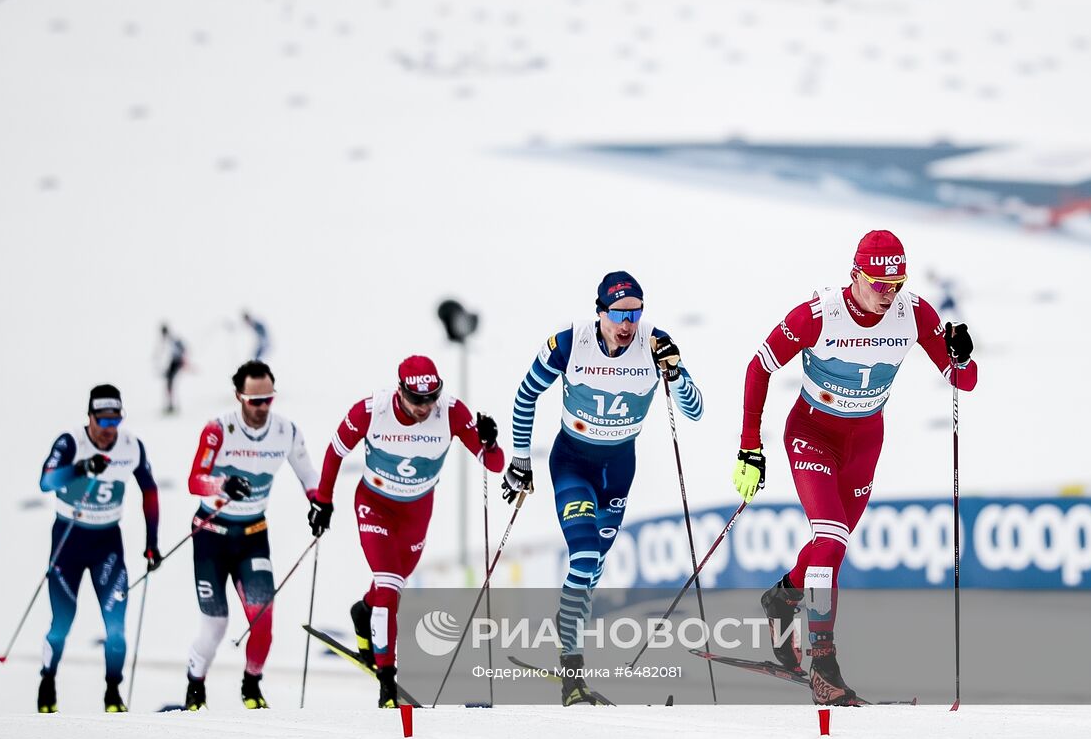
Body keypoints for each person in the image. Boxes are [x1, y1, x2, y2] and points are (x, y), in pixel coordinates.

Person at [733, 230, 978, 705]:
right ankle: (824, 666)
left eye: (897, 282)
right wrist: (749, 447)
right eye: (879, 282)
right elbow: (758, 368)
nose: (889, 293)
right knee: (830, 541)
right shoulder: (818, 315)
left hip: (865, 441)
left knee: (832, 549)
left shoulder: (914, 313)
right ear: (855, 275)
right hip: (811, 434)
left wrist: (962, 354)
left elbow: (962, 382)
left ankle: (783, 595)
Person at [505, 271, 703, 705]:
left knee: (592, 574)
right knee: (585, 556)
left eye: (634, 313)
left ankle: (566, 628)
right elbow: (525, 395)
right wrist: (520, 459)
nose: (627, 323)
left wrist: (675, 372)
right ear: (600, 313)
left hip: (618, 469)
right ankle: (571, 674)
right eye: (618, 313)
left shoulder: (655, 343)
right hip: (572, 463)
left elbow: (695, 410)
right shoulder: (569, 342)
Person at [315, 355, 504, 707]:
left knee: (390, 586)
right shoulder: (371, 411)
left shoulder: (450, 411)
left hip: (417, 511)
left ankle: (363, 611)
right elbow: (334, 451)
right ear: (400, 391)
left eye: (431, 397)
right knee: (389, 589)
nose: (425, 406)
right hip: (375, 504)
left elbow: (493, 465)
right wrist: (323, 501)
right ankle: (387, 683)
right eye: (417, 399)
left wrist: (490, 443)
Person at [181, 360, 320, 710]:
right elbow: (195, 480)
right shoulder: (219, 430)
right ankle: (196, 682)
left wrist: (320, 505)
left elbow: (309, 477)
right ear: (238, 397)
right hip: (211, 534)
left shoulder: (285, 432)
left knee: (263, 621)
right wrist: (223, 483)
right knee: (215, 625)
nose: (261, 408)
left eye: (268, 400)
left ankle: (252, 685)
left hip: (252, 535)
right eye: (254, 401)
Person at [37, 384, 160, 713]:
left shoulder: (131, 446)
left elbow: (149, 491)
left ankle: (112, 692)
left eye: (115, 421)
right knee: (62, 623)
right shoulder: (71, 442)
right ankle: (47, 679)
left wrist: (152, 542)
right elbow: (46, 481)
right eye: (102, 422)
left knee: (116, 628)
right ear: (89, 417)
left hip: (107, 542)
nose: (109, 430)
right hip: (69, 540)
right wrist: (80, 468)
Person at [154, 325, 188, 414]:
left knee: (170, 384)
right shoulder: (169, 339)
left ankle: (172, 406)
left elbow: (182, 350)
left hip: (176, 362)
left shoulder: (172, 339)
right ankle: (171, 405)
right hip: (174, 363)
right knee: (170, 385)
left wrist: (183, 361)